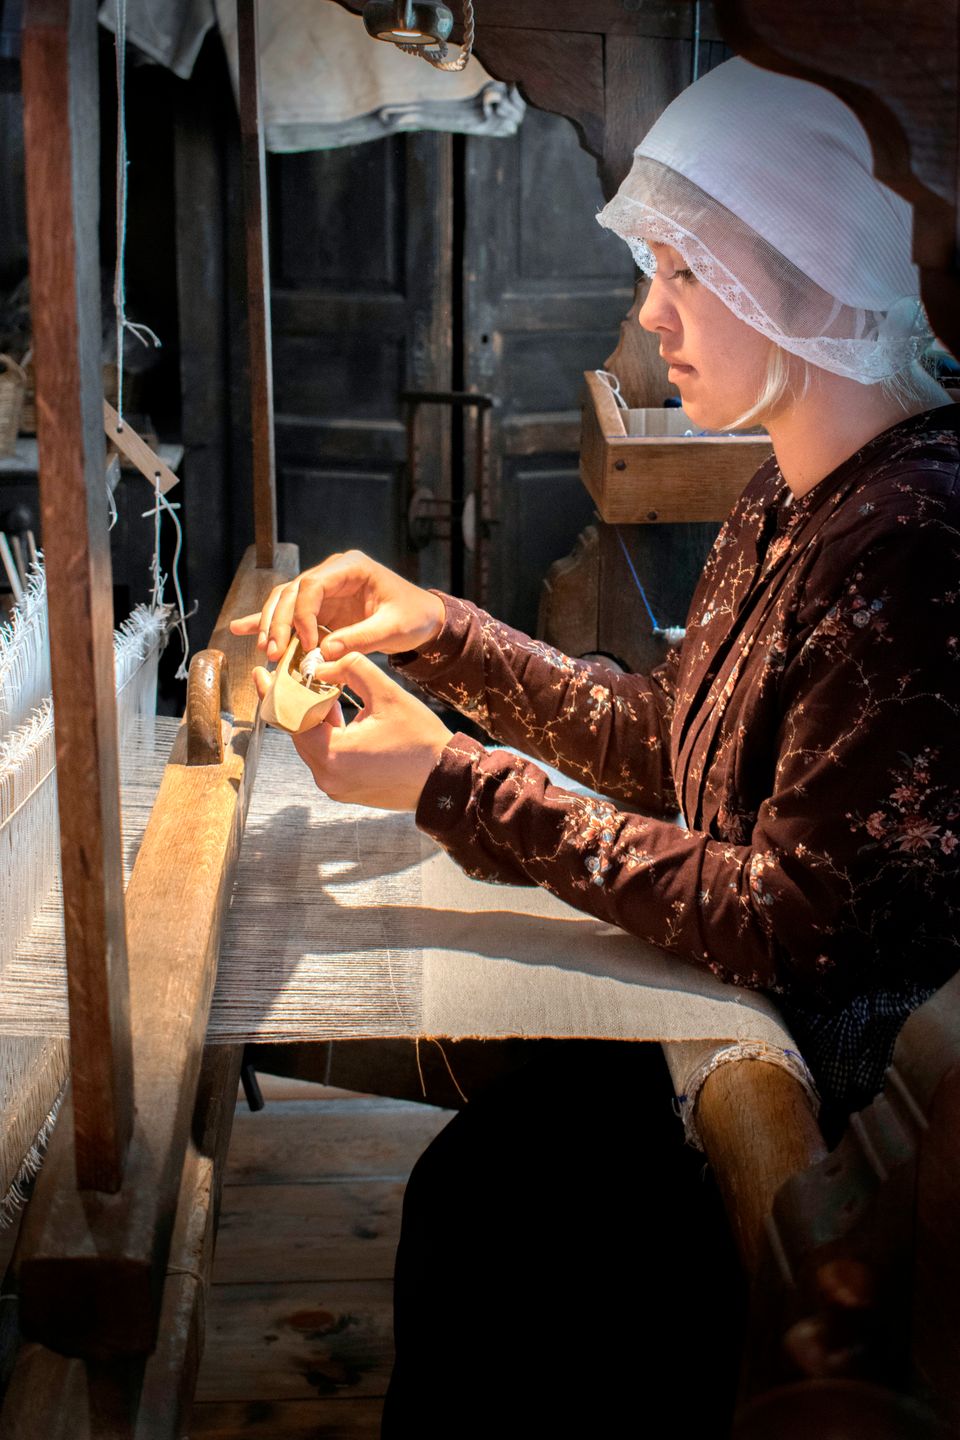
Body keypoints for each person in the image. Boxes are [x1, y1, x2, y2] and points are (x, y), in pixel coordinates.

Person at [231, 58, 958, 1431]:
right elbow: (672, 734)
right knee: (478, 1193)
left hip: (803, 1114)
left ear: (790, 280)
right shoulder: (796, 492)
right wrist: (439, 631)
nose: (651, 312)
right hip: (716, 1027)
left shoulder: (913, 542)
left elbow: (794, 919)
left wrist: (451, 778)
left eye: (686, 272)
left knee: (491, 1216)